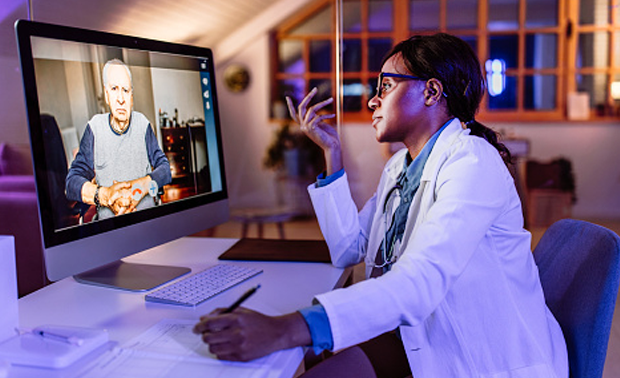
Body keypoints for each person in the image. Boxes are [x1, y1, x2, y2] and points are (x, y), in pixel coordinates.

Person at [193, 33, 568, 378]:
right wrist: (332, 153)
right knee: (294, 358)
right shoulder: (398, 167)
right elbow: (348, 249)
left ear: (431, 91)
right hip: (415, 334)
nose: (372, 100)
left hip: (478, 354)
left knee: (297, 347)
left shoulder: (472, 162)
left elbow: (420, 280)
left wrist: (284, 328)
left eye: (386, 86)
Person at [66, 59, 172, 220]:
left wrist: (139, 188)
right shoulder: (94, 128)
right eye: (114, 89)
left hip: (147, 223)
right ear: (107, 94)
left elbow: (165, 169)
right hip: (109, 229)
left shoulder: (143, 124)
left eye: (126, 90)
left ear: (131, 97)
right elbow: (71, 183)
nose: (121, 98)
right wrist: (106, 196)